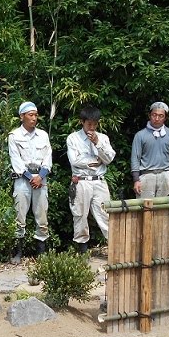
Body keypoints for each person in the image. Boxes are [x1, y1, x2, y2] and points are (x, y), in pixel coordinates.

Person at [66, 105, 115, 253]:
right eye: (89, 124)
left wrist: (97, 143)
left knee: (106, 214)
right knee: (80, 215)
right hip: (81, 181)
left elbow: (109, 158)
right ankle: (82, 250)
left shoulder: (103, 138)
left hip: (99, 181)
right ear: (82, 122)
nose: (92, 127)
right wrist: (95, 161)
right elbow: (74, 161)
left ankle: (114, 249)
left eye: (95, 124)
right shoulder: (73, 138)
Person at [8, 101, 52, 264]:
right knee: (20, 214)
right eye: (30, 115)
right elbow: (16, 160)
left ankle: (41, 252)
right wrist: (30, 177)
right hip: (22, 179)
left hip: (41, 178)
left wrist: (40, 176)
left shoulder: (43, 135)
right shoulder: (14, 136)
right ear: (22, 117)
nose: (34, 118)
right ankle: (18, 251)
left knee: (42, 215)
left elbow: (48, 158)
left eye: (36, 115)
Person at [130, 101, 169, 198]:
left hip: (165, 175)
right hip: (146, 175)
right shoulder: (140, 135)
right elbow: (135, 158)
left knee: (164, 209)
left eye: (161, 116)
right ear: (150, 115)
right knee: (145, 208)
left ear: (165, 118)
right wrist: (136, 180)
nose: (157, 118)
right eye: (154, 115)